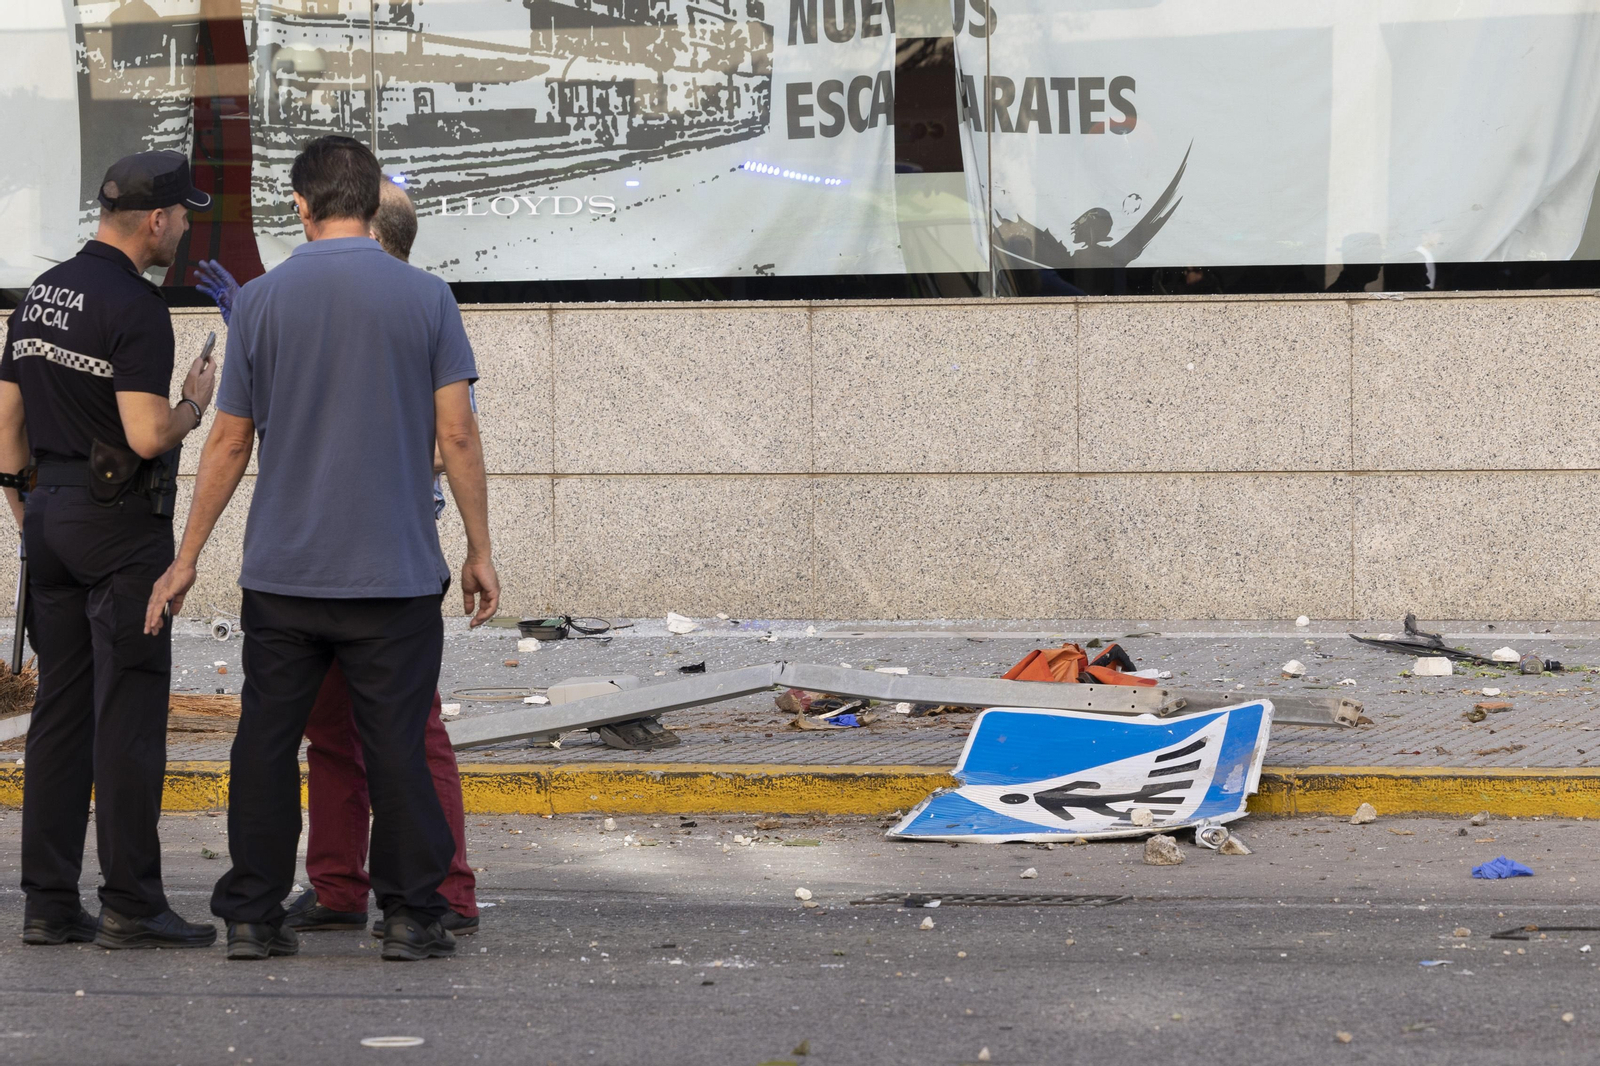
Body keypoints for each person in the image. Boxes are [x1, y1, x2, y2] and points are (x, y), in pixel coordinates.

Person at [144, 135, 499, 963]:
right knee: (400, 743)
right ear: (372, 204)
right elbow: (458, 435)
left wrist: (188, 554)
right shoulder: (428, 299)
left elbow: (229, 442)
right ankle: (411, 915)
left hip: (285, 576)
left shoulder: (262, 303)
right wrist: (481, 548)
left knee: (266, 745)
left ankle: (253, 916)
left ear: (299, 206)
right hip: (396, 574)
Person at [0, 151, 219, 949]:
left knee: (59, 715)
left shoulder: (40, 294)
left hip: (51, 518)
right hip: (119, 527)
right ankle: (132, 901)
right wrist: (193, 404)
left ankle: (49, 904)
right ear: (154, 220)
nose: (188, 227)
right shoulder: (135, 305)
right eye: (184, 215)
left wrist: (26, 510)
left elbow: (6, 429)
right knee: (127, 717)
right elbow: (144, 432)